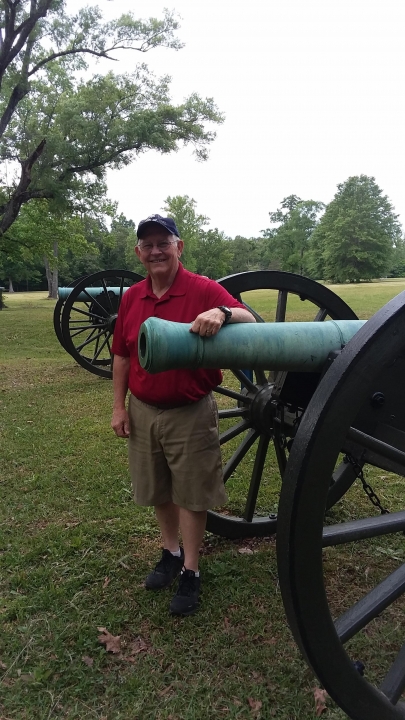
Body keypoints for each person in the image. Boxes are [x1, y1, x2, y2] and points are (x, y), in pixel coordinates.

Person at [111, 214, 255, 616]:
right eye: (148, 244)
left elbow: (249, 318)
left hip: (189, 410)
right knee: (158, 488)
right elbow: (121, 354)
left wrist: (223, 314)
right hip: (143, 409)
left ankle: (191, 570)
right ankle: (170, 551)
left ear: (179, 246)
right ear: (139, 252)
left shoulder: (202, 288)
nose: (156, 250)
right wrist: (119, 406)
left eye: (164, 242)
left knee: (192, 494)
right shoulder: (132, 297)